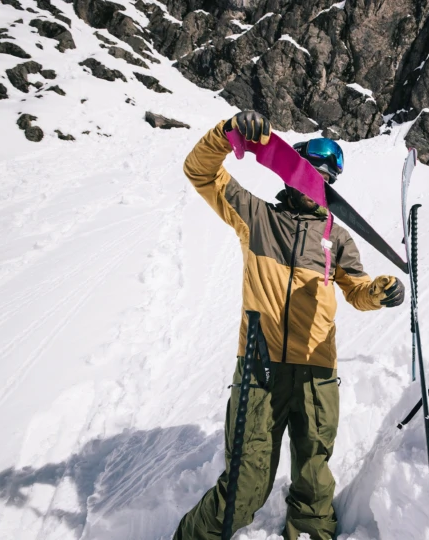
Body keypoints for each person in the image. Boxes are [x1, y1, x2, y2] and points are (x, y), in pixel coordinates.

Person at [173, 111, 405, 540]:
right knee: (245, 487)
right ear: (294, 163)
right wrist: (227, 134)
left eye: (332, 167)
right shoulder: (257, 217)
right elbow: (199, 172)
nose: (325, 169)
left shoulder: (337, 236)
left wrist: (380, 291)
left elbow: (356, 289)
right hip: (260, 371)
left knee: (314, 485)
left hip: (318, 373)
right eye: (316, 161)